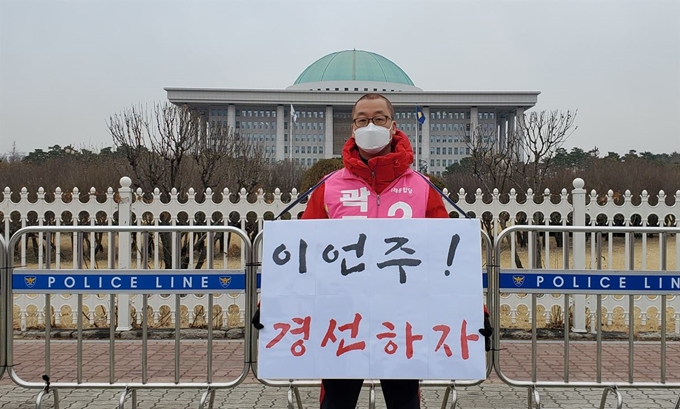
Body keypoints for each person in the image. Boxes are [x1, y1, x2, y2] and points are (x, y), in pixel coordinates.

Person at [301, 93, 449, 409]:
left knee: (404, 401)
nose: (371, 125)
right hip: (341, 317)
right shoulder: (329, 186)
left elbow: (445, 256)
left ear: (393, 126)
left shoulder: (422, 187)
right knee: (336, 402)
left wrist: (477, 310)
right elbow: (303, 251)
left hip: (402, 318)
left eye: (379, 118)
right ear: (352, 128)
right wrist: (271, 303)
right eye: (362, 119)